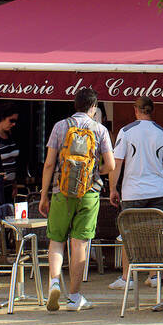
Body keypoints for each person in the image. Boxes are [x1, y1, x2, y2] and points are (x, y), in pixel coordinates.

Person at [38, 88, 115, 312]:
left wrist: (44, 195)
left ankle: (54, 282)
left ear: (75, 104)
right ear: (94, 107)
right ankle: (74, 297)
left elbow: (49, 164)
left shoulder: (60, 127)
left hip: (61, 191)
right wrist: (94, 173)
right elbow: (110, 165)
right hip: (89, 192)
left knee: (56, 240)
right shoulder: (100, 130)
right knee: (79, 243)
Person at [108, 97, 163, 290]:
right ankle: (154, 275)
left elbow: (117, 164)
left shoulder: (126, 132)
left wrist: (112, 188)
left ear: (135, 110)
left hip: (132, 191)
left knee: (128, 234)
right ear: (152, 110)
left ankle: (127, 278)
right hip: (158, 191)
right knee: (156, 234)